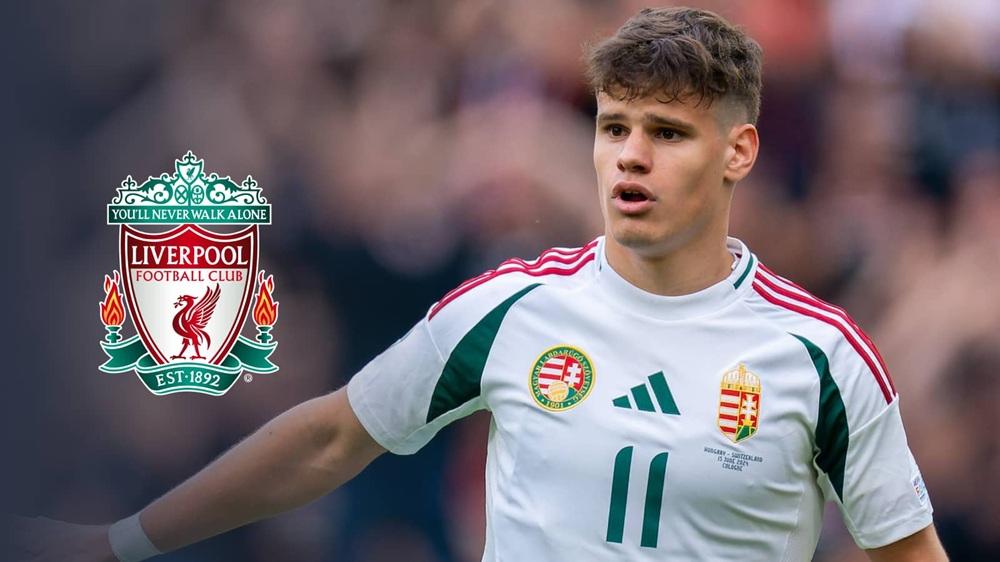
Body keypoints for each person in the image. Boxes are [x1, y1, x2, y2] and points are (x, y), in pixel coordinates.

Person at [15, 7, 947, 561]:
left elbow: (905, 550)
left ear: (739, 151)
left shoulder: (822, 357)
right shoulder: (512, 309)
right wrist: (122, 541)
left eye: (667, 134)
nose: (630, 157)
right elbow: (331, 437)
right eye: (613, 128)